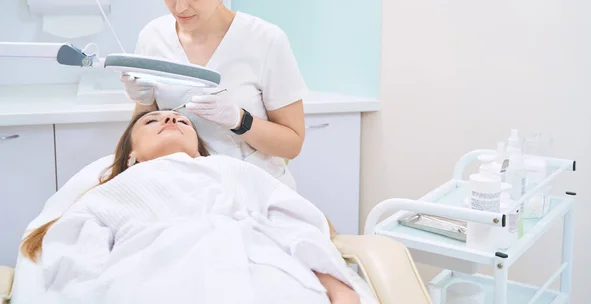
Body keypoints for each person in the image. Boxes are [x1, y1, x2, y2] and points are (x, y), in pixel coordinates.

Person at [20, 110, 371, 304]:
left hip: (259, 269)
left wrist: (338, 288)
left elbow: (296, 226)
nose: (170, 120)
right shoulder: (112, 191)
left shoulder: (234, 171)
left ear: (200, 151)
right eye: (151, 120)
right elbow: (75, 261)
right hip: (151, 275)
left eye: (182, 120)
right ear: (131, 155)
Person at [120, 0, 308, 190]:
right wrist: (144, 101)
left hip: (255, 189)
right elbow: (144, 133)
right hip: (181, 190)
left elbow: (292, 144)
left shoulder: (266, 40)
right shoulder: (153, 37)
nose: (180, 6)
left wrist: (239, 120)